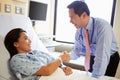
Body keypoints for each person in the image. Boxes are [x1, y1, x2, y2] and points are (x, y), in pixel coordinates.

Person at [67, 1, 120, 78]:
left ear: (84, 15)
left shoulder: (102, 27)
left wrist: (95, 78)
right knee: (90, 76)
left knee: (99, 77)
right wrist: (69, 56)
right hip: (92, 57)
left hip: (109, 58)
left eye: (72, 17)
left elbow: (102, 57)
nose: (70, 21)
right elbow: (78, 50)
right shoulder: (79, 30)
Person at [4, 28, 72, 80]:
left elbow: (55, 61)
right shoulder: (17, 60)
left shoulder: (36, 52)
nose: (30, 41)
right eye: (26, 38)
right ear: (16, 44)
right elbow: (47, 71)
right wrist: (61, 58)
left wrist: (63, 67)